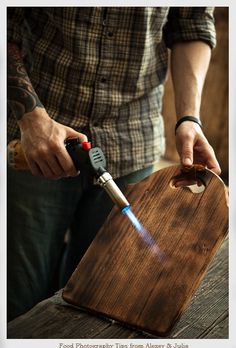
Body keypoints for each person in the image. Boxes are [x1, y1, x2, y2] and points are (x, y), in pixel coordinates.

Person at [7, 7, 221, 322]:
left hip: (132, 138)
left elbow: (192, 23)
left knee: (99, 297)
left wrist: (189, 117)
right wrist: (31, 117)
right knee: (20, 299)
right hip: (37, 139)